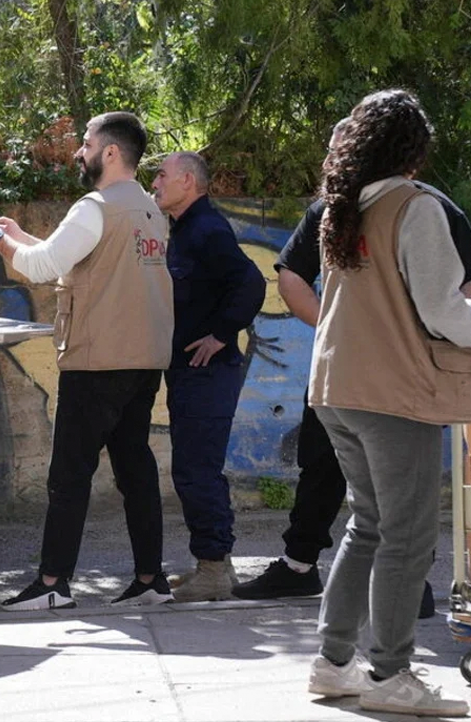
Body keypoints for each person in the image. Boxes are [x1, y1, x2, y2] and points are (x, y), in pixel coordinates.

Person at [234, 115, 471, 619]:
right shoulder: (350, 209)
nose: (333, 157)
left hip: (365, 378)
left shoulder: (411, 207)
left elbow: (457, 288)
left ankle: (345, 645)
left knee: (376, 519)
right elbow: (292, 277)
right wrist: (343, 327)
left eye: (341, 147)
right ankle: (361, 626)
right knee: (385, 511)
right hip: (377, 380)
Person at [303, 89, 470, 716]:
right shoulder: (414, 206)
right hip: (393, 392)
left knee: (369, 525)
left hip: (337, 386)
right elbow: (443, 310)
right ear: (414, 148)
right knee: (407, 536)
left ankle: (333, 663)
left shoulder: (341, 208)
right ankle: (391, 674)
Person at [0, 112, 175, 609]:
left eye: (86, 143)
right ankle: (151, 581)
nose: (79, 152)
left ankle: (53, 583)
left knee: (69, 477)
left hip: (96, 360)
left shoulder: (95, 207)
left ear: (110, 152)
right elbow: (72, 258)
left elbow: (41, 269)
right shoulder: (150, 211)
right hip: (143, 360)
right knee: (136, 471)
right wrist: (19, 234)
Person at [149, 152, 265, 602]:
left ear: (187, 181)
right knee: (196, 469)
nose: (155, 183)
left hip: (208, 373)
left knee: (196, 471)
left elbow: (251, 283)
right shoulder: (185, 228)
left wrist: (220, 333)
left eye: (162, 175)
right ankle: (217, 566)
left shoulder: (207, 229)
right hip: (191, 373)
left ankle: (213, 569)